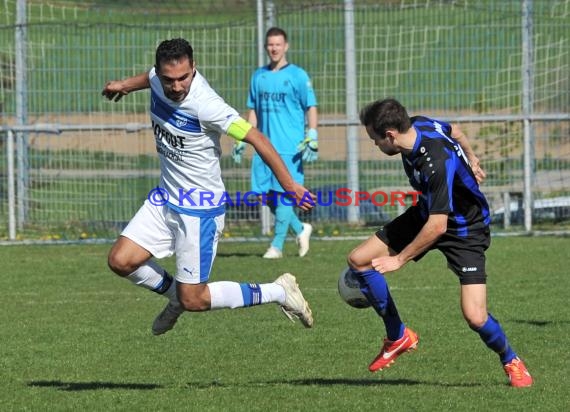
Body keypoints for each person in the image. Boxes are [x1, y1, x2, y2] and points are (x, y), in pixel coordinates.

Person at [101, 38, 315, 336]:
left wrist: (290, 186)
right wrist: (124, 84)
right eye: (168, 80)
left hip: (198, 209)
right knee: (120, 260)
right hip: (165, 198)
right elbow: (148, 78)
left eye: (183, 78)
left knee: (195, 300)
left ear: (194, 69)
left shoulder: (207, 105)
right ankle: (176, 296)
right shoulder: (156, 77)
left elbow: (258, 138)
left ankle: (278, 291)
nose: (176, 87)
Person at [347, 97, 532, 388]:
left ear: (391, 135)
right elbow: (455, 130)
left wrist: (399, 259)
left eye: (375, 139)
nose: (375, 145)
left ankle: (511, 359)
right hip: (429, 213)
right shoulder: (419, 124)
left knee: (475, 316)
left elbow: (438, 226)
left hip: (465, 230)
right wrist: (472, 158)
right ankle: (398, 336)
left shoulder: (434, 163)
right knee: (359, 260)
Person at [232, 27, 318, 259]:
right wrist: (243, 138)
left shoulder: (298, 75)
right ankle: (301, 229)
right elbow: (253, 111)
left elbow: (311, 105)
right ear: (266, 47)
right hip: (263, 146)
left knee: (284, 195)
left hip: (290, 147)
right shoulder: (258, 76)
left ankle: (276, 246)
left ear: (286, 46)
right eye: (270, 44)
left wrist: (312, 133)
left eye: (278, 44)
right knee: (265, 195)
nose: (274, 48)